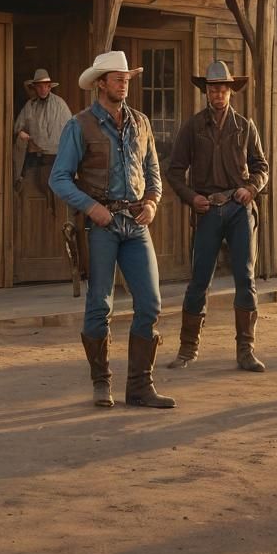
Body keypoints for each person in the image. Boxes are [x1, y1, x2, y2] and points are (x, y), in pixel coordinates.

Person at [50, 50, 175, 410]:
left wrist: (152, 202)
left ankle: (139, 388)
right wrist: (91, 208)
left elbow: (153, 171)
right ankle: (101, 383)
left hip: (136, 224)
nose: (124, 84)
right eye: (117, 78)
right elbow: (58, 178)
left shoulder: (141, 123)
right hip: (100, 227)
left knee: (150, 304)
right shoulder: (80, 125)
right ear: (101, 83)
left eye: (127, 79)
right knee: (98, 305)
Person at [165, 60, 269, 372]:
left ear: (231, 92)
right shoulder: (193, 127)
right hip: (208, 209)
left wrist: (250, 188)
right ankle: (187, 349)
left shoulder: (245, 126)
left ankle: (246, 350)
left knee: (245, 278)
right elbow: (174, 171)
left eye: (223, 88)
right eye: (213, 89)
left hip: (239, 209)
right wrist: (191, 197)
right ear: (206, 92)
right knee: (199, 280)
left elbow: (261, 167)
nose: (218, 93)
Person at [12, 68, 72, 207]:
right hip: (34, 157)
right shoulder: (30, 106)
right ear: (35, 88)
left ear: (49, 87)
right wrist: (21, 132)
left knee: (53, 193)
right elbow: (18, 126)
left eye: (45, 86)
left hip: (55, 158)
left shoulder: (60, 105)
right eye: (39, 86)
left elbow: (70, 131)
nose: (42, 89)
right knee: (25, 188)